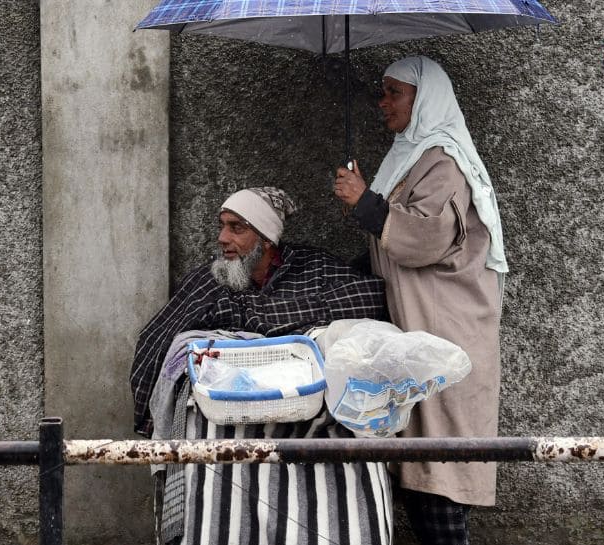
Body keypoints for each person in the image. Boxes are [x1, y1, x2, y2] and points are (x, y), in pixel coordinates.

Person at [129, 187, 393, 545]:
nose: (223, 238)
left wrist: (262, 318)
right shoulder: (209, 281)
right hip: (229, 422)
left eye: (236, 228)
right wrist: (146, 418)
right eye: (222, 226)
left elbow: (372, 295)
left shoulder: (312, 268)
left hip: (304, 418)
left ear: (266, 239)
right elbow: (154, 340)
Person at [332, 56, 508, 545]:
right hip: (421, 328)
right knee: (420, 469)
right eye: (381, 92)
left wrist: (366, 201)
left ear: (424, 98)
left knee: (441, 471)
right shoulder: (411, 155)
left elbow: (426, 237)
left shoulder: (443, 161)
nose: (382, 102)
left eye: (394, 92)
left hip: (448, 331)